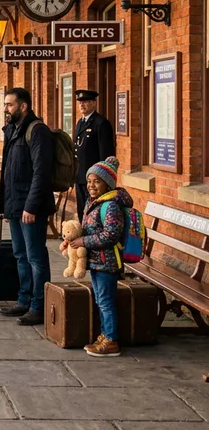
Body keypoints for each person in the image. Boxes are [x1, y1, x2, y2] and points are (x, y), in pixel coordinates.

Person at [0, 87, 55, 326]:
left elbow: (41, 173)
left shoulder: (37, 130)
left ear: (23, 106)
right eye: (5, 105)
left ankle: (39, 305)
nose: (5, 109)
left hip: (32, 208)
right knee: (20, 255)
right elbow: (8, 174)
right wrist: (6, 209)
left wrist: (30, 207)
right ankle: (24, 299)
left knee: (35, 257)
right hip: (15, 206)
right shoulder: (13, 130)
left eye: (10, 105)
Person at [65, 156, 128, 357]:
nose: (91, 185)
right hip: (96, 260)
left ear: (107, 184)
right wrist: (73, 239)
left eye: (97, 181)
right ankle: (104, 335)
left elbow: (111, 235)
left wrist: (83, 242)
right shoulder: (95, 202)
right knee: (101, 300)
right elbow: (88, 228)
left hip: (107, 261)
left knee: (105, 300)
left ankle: (111, 340)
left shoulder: (111, 206)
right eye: (89, 181)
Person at [74, 89, 115, 221]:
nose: (82, 105)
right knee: (82, 211)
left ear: (94, 104)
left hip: (95, 179)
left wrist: (102, 179)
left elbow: (106, 154)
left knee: (94, 213)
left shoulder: (101, 123)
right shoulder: (80, 123)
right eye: (80, 102)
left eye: (85, 102)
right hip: (80, 176)